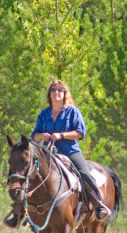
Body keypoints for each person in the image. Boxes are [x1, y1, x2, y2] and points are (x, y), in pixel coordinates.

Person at [33, 79, 111, 219]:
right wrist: (41, 135)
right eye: (53, 90)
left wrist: (61, 135)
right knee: (30, 173)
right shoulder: (44, 114)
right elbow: (34, 136)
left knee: (84, 173)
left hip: (70, 152)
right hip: (48, 154)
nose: (56, 93)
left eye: (59, 90)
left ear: (64, 94)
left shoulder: (73, 112)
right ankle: (23, 211)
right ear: (49, 95)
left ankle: (99, 205)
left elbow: (80, 133)